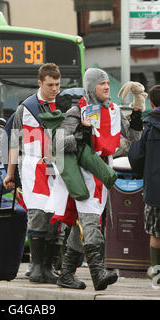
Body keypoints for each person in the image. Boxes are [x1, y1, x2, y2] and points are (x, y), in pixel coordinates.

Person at [53, 68, 144, 290]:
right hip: (84, 172)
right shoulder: (77, 111)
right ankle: (98, 272)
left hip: (104, 170)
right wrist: (81, 136)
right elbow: (57, 143)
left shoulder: (113, 110)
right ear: (91, 87)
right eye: (101, 83)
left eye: (107, 83)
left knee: (83, 224)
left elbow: (133, 135)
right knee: (91, 221)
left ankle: (66, 274)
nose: (106, 87)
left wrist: (138, 104)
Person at [3, 62, 61, 284]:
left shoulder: (62, 105)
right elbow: (13, 143)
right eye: (50, 85)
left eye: (57, 84)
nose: (55, 89)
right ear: (40, 83)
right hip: (32, 167)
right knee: (37, 215)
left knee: (55, 217)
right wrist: (10, 174)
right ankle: (36, 267)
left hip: (57, 168)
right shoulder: (25, 109)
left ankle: (48, 267)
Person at [128, 85, 160, 287]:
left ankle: (157, 275)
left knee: (156, 233)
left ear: (151, 103)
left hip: (155, 190)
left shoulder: (148, 126)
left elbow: (136, 156)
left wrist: (143, 173)